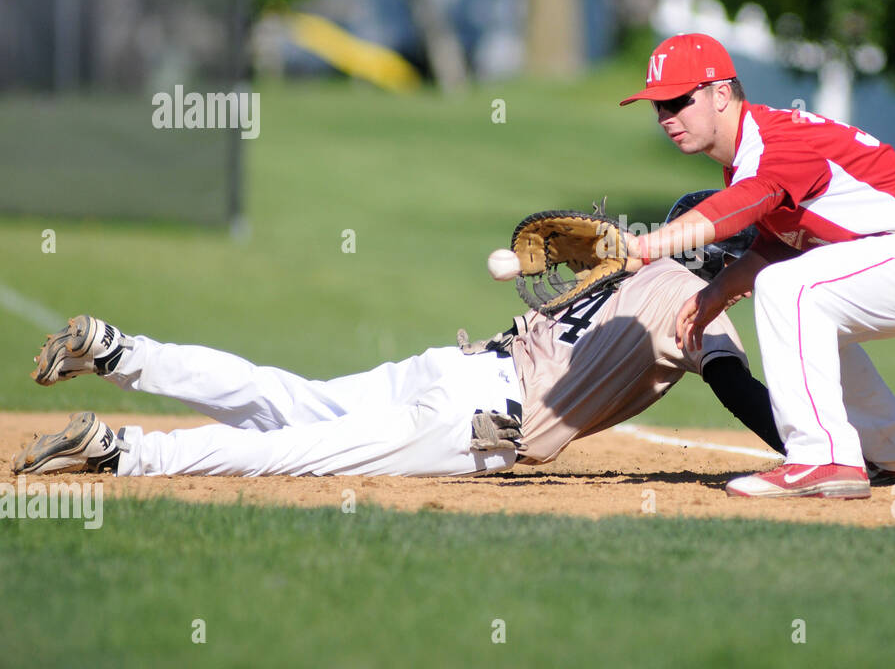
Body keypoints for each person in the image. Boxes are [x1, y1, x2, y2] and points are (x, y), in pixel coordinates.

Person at [12, 201, 782, 479]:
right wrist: (824, 448)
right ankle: (129, 451)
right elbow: (744, 397)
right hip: (478, 421)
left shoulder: (625, 268)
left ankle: (124, 350)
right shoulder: (701, 306)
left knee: (287, 397)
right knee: (296, 455)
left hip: (452, 364)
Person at [621, 33, 895, 499]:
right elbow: (779, 243)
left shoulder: (779, 141)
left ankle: (822, 459)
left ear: (721, 94)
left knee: (787, 290)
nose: (666, 117)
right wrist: (716, 294)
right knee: (808, 309)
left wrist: (647, 245)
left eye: (678, 100)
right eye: (657, 106)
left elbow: (730, 212)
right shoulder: (750, 152)